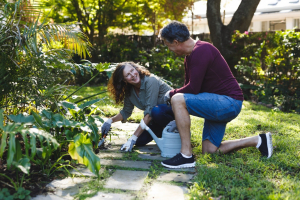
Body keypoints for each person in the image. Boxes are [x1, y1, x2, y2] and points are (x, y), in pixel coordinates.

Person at [158, 21, 273, 169]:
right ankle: (258, 140)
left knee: (178, 99)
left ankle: (186, 155)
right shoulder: (190, 56)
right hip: (217, 103)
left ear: (176, 41)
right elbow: (191, 88)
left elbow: (192, 89)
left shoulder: (202, 50)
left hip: (228, 103)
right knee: (210, 151)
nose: (170, 49)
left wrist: (171, 94)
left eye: (169, 45)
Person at [101, 62, 175, 151]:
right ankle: (163, 132)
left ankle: (175, 131)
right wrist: (110, 121)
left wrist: (133, 137)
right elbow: (126, 112)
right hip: (156, 118)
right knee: (139, 141)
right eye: (128, 75)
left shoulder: (151, 80)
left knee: (155, 111)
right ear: (124, 80)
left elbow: (150, 111)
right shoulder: (130, 91)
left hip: (172, 113)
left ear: (136, 69)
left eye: (132, 70)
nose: (132, 75)